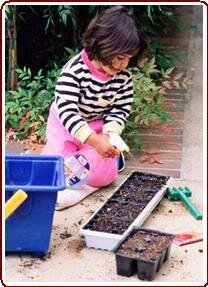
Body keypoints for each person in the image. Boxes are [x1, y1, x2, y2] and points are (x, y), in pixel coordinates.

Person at [42, 5, 146, 210]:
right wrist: (93, 141)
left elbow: (120, 109)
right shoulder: (74, 72)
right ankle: (79, 181)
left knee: (102, 168)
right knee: (54, 169)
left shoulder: (123, 77)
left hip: (97, 128)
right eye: (119, 57)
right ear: (101, 45)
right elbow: (67, 111)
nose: (123, 64)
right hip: (65, 126)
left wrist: (111, 134)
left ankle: (85, 186)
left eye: (129, 58)